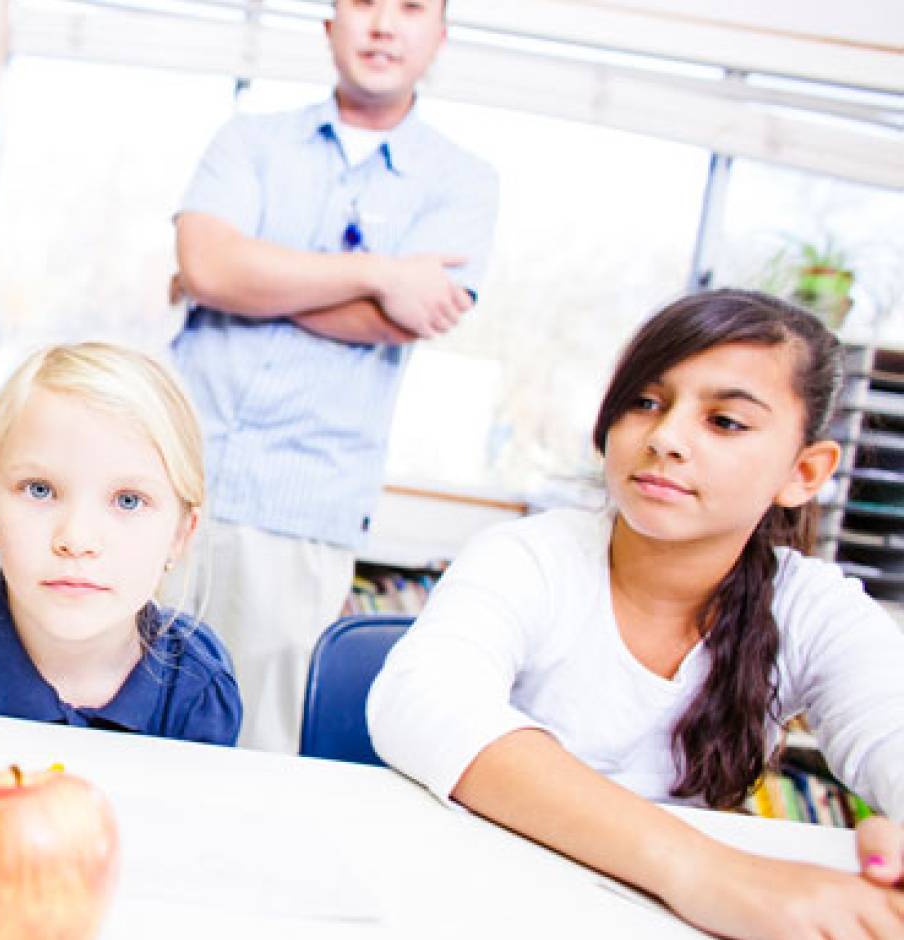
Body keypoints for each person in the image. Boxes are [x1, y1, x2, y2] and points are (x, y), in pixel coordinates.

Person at [368, 289, 904, 938]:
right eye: (646, 403)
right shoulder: (529, 557)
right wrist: (706, 874)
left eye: (725, 421)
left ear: (805, 472)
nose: (666, 438)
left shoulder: (814, 607)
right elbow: (424, 703)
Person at [170, 0, 498, 752]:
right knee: (116, 712)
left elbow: (404, 318)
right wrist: (381, 272)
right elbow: (210, 267)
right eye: (363, 3)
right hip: (168, 479)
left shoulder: (464, 181)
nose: (383, 25)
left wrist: (251, 277)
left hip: (304, 508)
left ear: (439, 36)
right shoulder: (247, 139)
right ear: (329, 25)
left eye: (411, 7)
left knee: (258, 744)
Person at [0, 343, 242, 747]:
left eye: (128, 500)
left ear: (180, 535)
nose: (76, 539)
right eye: (39, 490)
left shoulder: (199, 690)